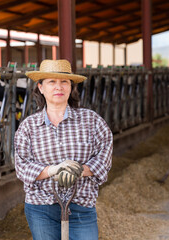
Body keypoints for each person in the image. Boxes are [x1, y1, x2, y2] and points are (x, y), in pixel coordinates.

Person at [14, 59, 113, 240]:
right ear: (41, 87)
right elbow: (22, 167)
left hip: (81, 205)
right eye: (51, 81)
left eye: (64, 82)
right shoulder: (28, 126)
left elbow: (104, 155)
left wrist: (78, 171)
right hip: (41, 207)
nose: (58, 87)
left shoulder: (91, 120)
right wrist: (54, 170)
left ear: (71, 87)